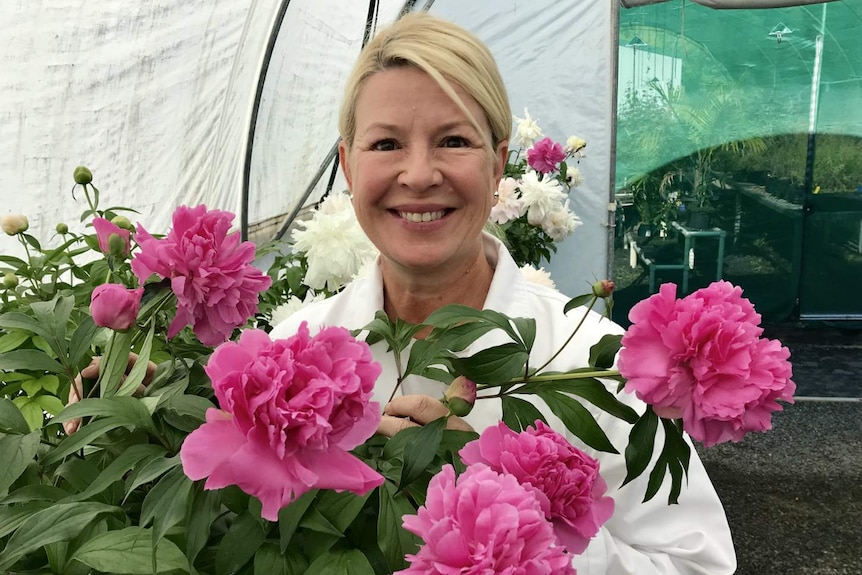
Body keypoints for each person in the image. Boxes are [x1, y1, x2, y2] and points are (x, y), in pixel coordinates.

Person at [271, 12, 735, 575]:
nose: (418, 174)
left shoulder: (596, 363)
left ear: (497, 164)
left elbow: (697, 563)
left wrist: (515, 519)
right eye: (386, 143)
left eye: (453, 140)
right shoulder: (295, 350)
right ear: (348, 165)